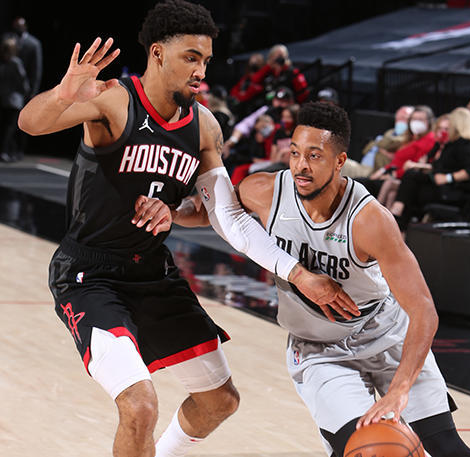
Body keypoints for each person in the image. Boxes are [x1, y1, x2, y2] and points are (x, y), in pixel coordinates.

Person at [17, 2, 354, 456]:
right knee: (140, 407)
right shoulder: (116, 100)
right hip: (90, 274)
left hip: (152, 272)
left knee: (220, 400)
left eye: (206, 61)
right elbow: (30, 124)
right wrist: (63, 94)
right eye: (191, 58)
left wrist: (293, 272)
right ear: (158, 53)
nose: (201, 71)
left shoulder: (204, 127)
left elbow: (225, 214)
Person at [162, 101, 470, 457]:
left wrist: (400, 389)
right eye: (295, 153)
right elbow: (209, 211)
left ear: (340, 161)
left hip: (385, 335)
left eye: (314, 156)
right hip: (321, 351)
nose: (300, 165)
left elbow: (424, 311)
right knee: (366, 450)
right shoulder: (266, 191)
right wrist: (172, 212)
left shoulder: (370, 221)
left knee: (448, 449)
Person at [391, 107, 470, 231]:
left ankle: (396, 217)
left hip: (453, 192)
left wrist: (448, 178)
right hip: (441, 187)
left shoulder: (464, 145)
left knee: (412, 186)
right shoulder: (449, 144)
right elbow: (436, 167)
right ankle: (397, 222)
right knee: (411, 179)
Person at [0, 34, 30, 162]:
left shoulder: (13, 63)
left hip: (11, 100)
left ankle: (9, 151)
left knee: (10, 128)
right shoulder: (9, 63)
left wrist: (25, 93)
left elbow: (22, 81)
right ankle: (6, 151)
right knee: (8, 127)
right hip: (8, 99)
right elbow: (23, 81)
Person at [11, 17, 42, 100]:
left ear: (25, 27)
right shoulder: (9, 40)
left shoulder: (33, 44)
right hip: (11, 87)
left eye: (20, 26)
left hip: (26, 86)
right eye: (16, 26)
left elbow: (36, 69)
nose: (18, 29)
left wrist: (33, 91)